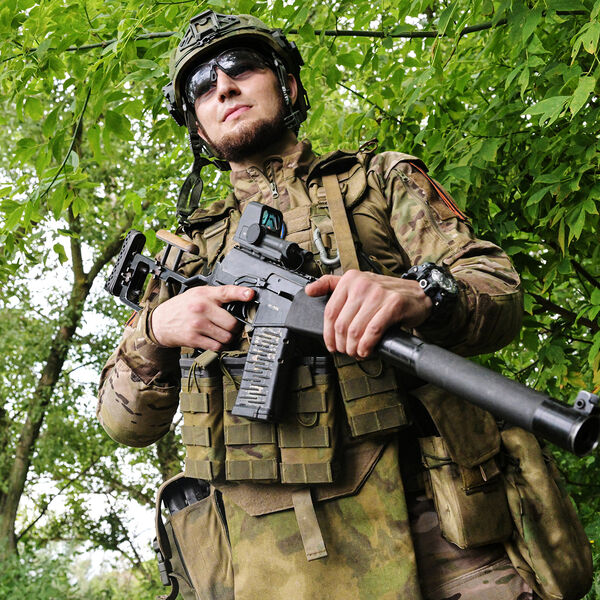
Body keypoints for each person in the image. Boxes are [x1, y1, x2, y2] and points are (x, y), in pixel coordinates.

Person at [97, 10, 591, 600]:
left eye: (240, 67)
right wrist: (155, 329)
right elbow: (124, 423)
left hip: (444, 537)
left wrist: (419, 294)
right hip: (276, 565)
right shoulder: (186, 257)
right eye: (202, 85)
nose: (222, 86)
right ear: (196, 127)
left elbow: (499, 292)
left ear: (288, 84)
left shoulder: (378, 182)